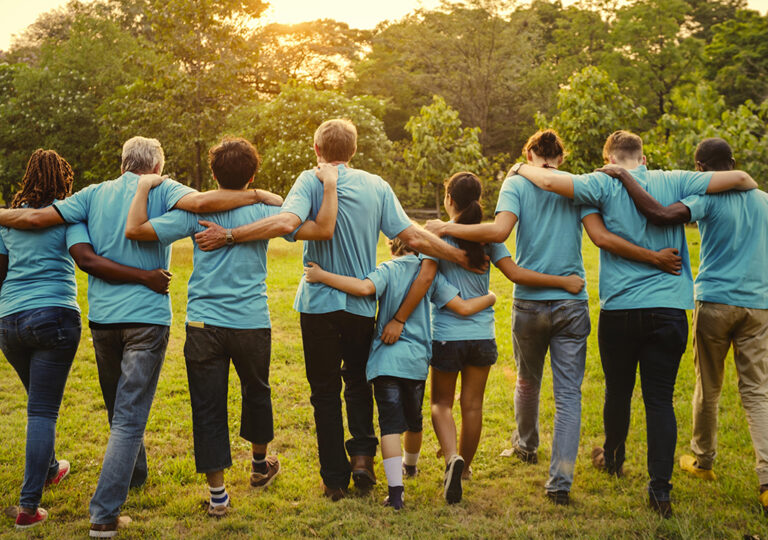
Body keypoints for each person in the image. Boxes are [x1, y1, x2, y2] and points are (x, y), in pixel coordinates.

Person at [0, 136, 281, 537]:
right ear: (156, 167)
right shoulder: (164, 188)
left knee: (119, 411)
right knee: (129, 420)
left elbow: (34, 221)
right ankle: (103, 515)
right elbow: (203, 204)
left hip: (103, 320)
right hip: (147, 318)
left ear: (122, 164)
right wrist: (257, 194)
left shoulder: (90, 195)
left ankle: (135, 476)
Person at [194, 119, 478, 500]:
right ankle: (362, 457)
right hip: (361, 303)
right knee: (358, 383)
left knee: (324, 392)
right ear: (354, 151)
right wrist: (458, 255)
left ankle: (334, 479)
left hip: (318, 303)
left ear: (317, 149)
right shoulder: (376, 185)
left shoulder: (310, 180)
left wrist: (229, 235)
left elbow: (284, 222)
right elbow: (410, 236)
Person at [424, 130, 682, 507]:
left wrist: (444, 227)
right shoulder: (575, 187)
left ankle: (526, 445)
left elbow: (498, 232)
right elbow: (598, 235)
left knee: (527, 381)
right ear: (561, 158)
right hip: (571, 303)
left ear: (528, 153)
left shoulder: (516, 184)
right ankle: (560, 481)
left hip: (529, 302)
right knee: (568, 395)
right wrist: (653, 256)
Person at [508, 130, 757, 517]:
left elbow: (549, 181)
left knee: (618, 390)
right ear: (643, 158)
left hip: (621, 309)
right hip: (670, 309)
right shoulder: (675, 179)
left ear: (609, 158)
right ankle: (660, 490)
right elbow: (741, 179)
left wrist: (521, 166)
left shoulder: (601, 183)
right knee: (659, 399)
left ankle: (613, 457)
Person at [124, 137, 338, 517]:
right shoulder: (266, 209)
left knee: (208, 405)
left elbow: (138, 230)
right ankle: (259, 466)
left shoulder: (196, 212)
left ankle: (218, 496)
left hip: (204, 323)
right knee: (257, 392)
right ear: (252, 173)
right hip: (251, 321)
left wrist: (143, 191)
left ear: (212, 173)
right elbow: (314, 227)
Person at [0, 149, 173, 530]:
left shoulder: (8, 220)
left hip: (10, 321)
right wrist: (145, 276)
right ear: (62, 180)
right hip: (54, 317)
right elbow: (85, 257)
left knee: (37, 405)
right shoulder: (69, 213)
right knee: (42, 411)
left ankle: (48, 469)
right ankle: (29, 506)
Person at [595, 137, 768, 513]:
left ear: (700, 169)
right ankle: (766, 480)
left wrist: (624, 178)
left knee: (709, 385)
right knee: (756, 393)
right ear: (733, 161)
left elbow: (659, 214)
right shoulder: (765, 200)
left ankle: (703, 460)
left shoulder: (706, 199)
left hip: (716, 301)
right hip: (759, 306)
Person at [397, 170, 584, 505]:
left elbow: (425, 277)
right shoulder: (487, 239)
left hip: (447, 337)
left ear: (449, 199)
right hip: (482, 336)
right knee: (472, 405)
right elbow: (515, 273)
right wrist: (564, 282)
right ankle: (464, 468)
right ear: (478, 201)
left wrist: (399, 317)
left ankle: (451, 456)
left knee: (441, 403)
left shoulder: (439, 235)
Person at [304, 237, 496, 509]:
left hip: (385, 362)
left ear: (393, 247)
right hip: (416, 364)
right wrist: (491, 296)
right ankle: (411, 466)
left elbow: (362, 288)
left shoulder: (387, 269)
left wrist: (321, 275)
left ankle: (396, 494)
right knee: (413, 422)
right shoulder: (430, 275)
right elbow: (463, 307)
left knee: (390, 427)